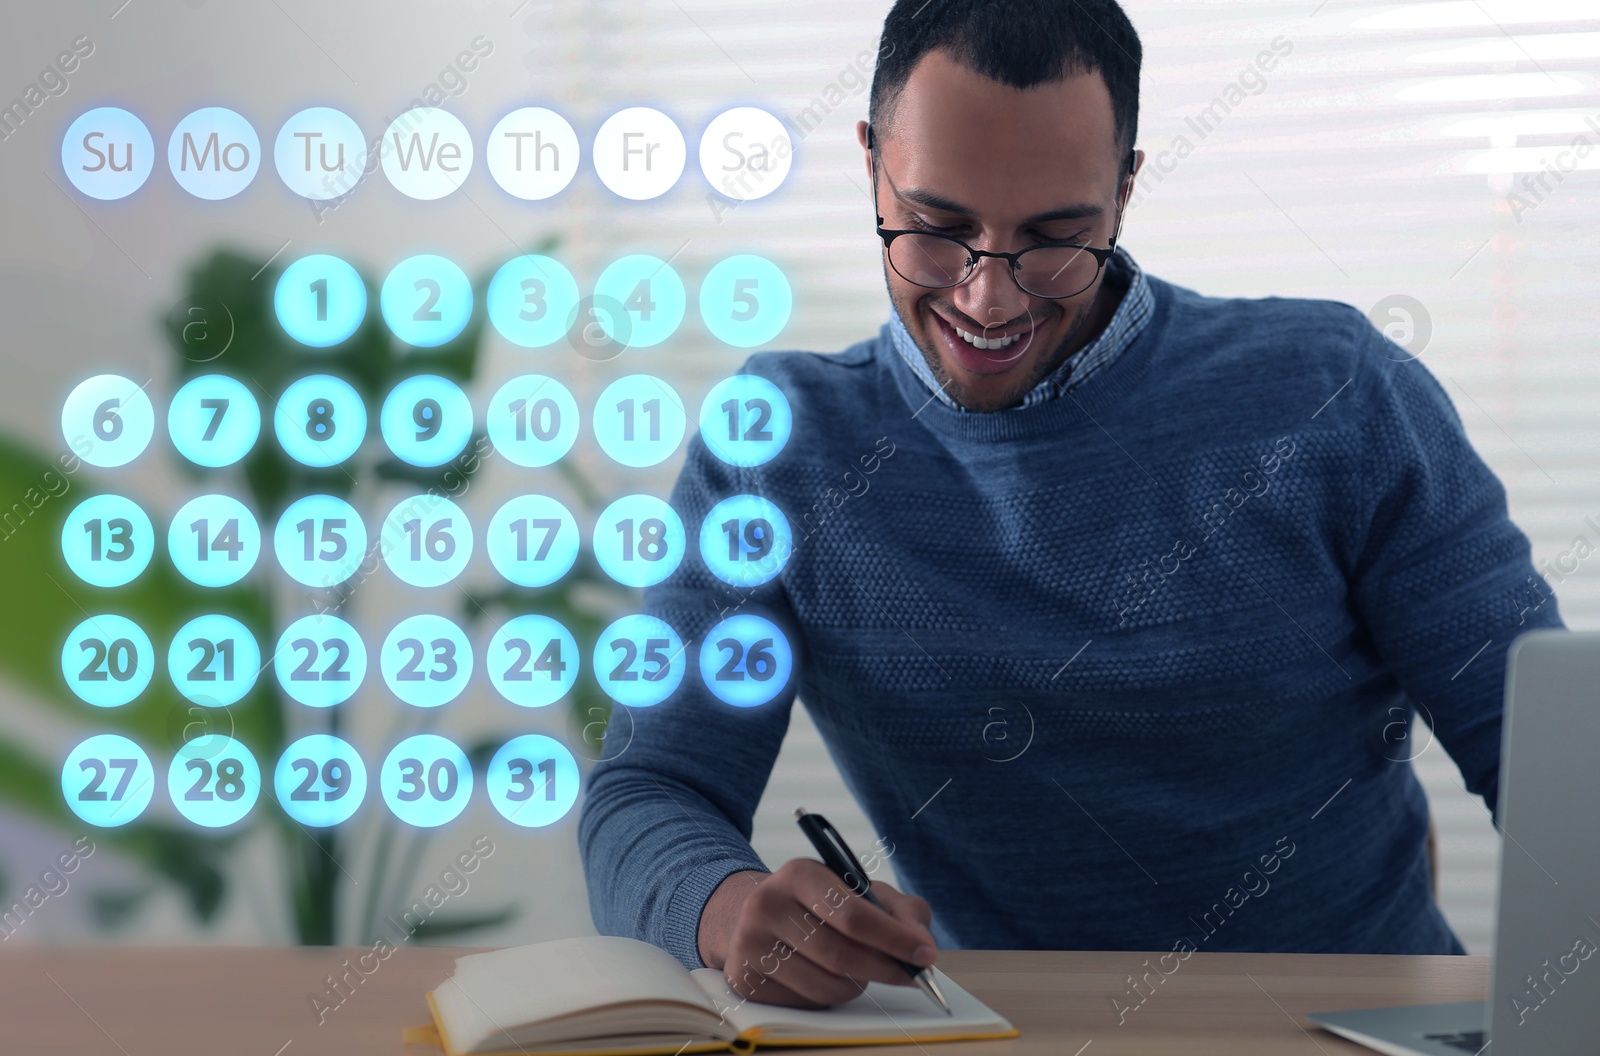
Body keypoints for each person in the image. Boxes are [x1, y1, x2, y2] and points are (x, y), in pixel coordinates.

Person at [578, 0, 1563, 1010]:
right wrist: (723, 904)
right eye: (935, 228)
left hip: (1344, 1029)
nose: (986, 299)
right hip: (1004, 1034)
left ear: (1126, 187)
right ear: (869, 161)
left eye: (1054, 239)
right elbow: (649, 790)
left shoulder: (1336, 396)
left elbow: (1549, 766)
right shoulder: (779, 447)